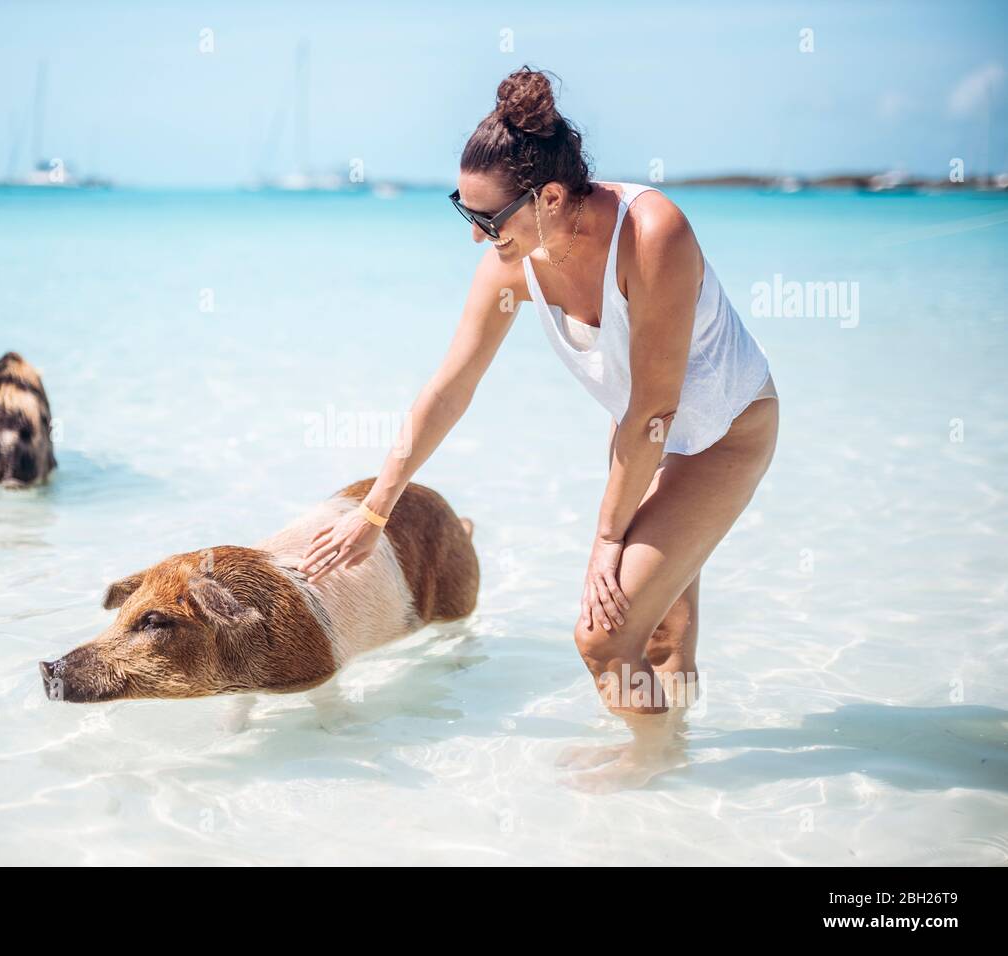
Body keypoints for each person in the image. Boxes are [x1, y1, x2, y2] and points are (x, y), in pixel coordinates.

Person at [300, 66, 779, 746]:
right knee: (662, 634)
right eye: (462, 212)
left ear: (550, 197)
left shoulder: (651, 235)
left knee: (604, 639)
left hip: (724, 435)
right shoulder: (510, 265)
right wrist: (376, 508)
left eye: (487, 217)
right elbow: (449, 388)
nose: (474, 235)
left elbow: (653, 407)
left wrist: (606, 541)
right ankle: (674, 755)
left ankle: (652, 764)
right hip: (651, 445)